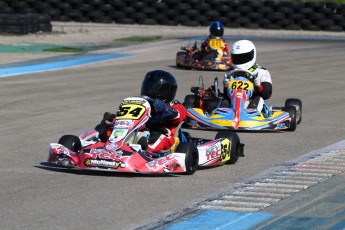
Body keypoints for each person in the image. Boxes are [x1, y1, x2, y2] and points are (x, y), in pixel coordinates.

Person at [95, 70, 187, 156]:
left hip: (160, 133)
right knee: (105, 129)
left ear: (165, 91)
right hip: (137, 130)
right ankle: (94, 141)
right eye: (148, 86)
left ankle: (144, 150)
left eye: (154, 88)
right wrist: (115, 121)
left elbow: (179, 115)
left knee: (155, 139)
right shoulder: (141, 103)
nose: (150, 90)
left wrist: (165, 109)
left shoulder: (174, 105)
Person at [224, 39, 272, 116]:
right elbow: (226, 94)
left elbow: (267, 94)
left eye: (243, 57)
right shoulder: (230, 72)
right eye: (237, 58)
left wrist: (258, 85)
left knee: (258, 98)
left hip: (251, 101)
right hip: (234, 102)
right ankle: (222, 115)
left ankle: (254, 115)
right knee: (224, 100)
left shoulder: (261, 72)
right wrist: (226, 85)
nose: (240, 60)